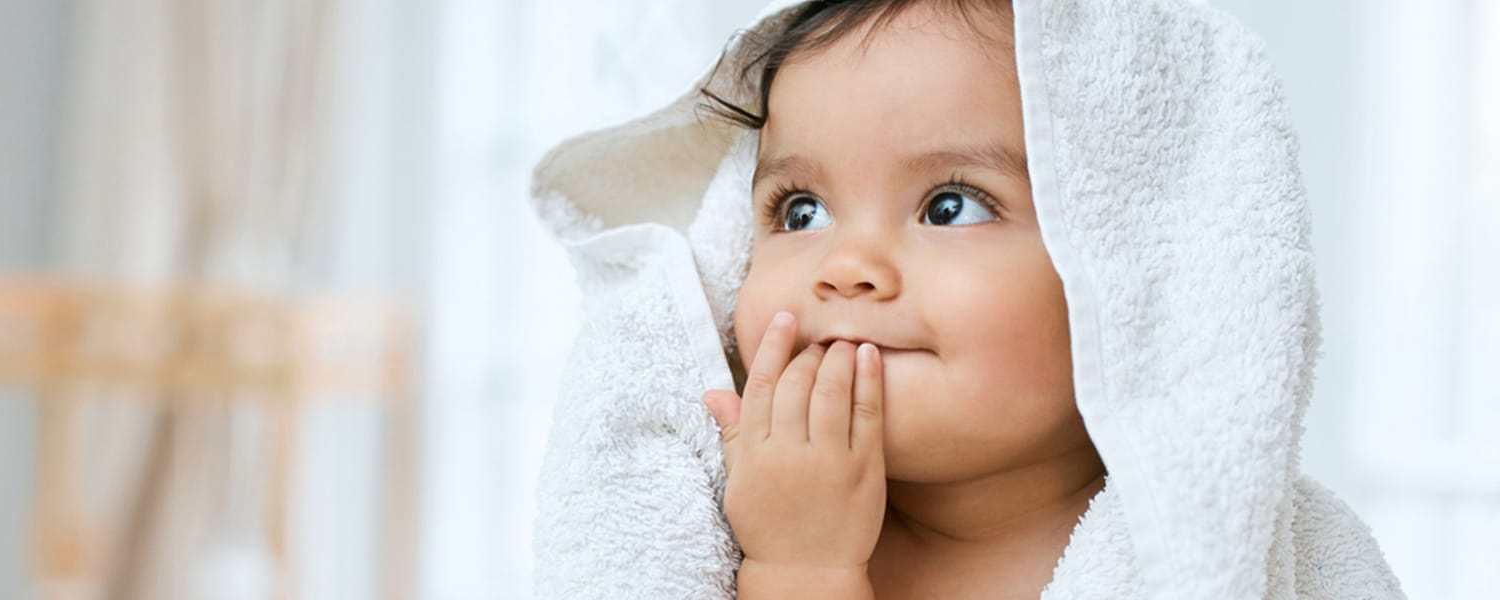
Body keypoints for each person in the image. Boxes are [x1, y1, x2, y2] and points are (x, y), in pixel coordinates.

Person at [529, 1, 1405, 597]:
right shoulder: (710, 523)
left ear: (1132, 267)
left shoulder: (1279, 558)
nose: (847, 266)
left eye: (950, 206)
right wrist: (796, 568)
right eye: (801, 210)